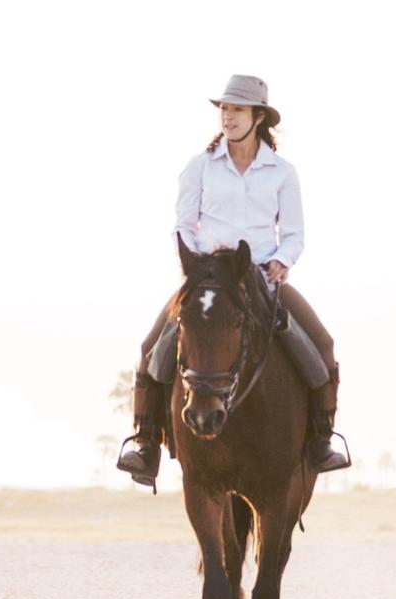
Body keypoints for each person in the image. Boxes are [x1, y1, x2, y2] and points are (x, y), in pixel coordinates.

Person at [116, 75, 349, 485]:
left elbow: (293, 233)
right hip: (208, 278)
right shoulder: (199, 166)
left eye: (237, 109)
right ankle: (146, 443)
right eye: (225, 109)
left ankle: (319, 441)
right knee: (152, 348)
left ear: (259, 117)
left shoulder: (282, 172)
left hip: (260, 278)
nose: (228, 116)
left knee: (323, 347)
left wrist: (281, 260)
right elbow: (183, 225)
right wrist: (194, 265)